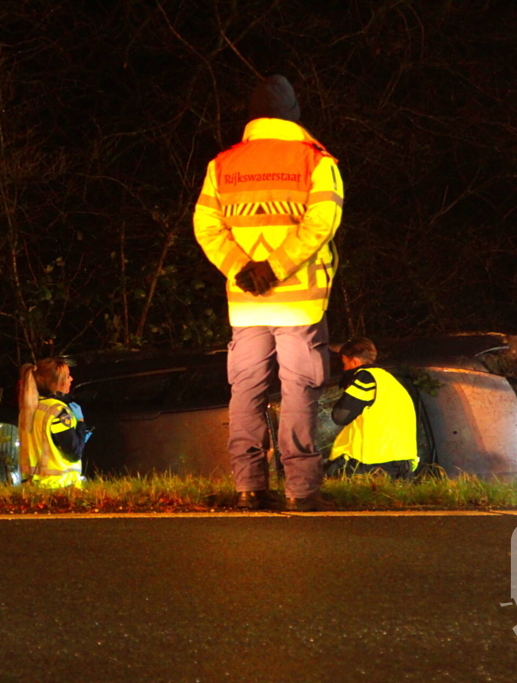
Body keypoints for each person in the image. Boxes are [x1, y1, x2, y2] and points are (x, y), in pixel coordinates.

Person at [193, 74, 344, 511]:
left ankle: (249, 488)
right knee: (299, 391)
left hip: (246, 302)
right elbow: (322, 224)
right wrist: (276, 267)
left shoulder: (223, 164)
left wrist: (241, 268)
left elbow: (205, 225)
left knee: (247, 391)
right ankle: (300, 491)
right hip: (299, 300)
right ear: (294, 114)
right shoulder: (315, 161)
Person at [328, 338, 419, 480]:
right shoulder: (388, 381)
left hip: (372, 462)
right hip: (401, 462)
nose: (344, 369)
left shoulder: (366, 378)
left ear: (354, 362)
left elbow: (340, 416)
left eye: (344, 363)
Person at [17, 358, 90, 489]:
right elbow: (74, 453)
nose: (71, 379)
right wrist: (81, 423)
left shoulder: (31, 408)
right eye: (67, 376)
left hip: (32, 485)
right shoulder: (58, 411)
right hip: (60, 485)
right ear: (57, 383)